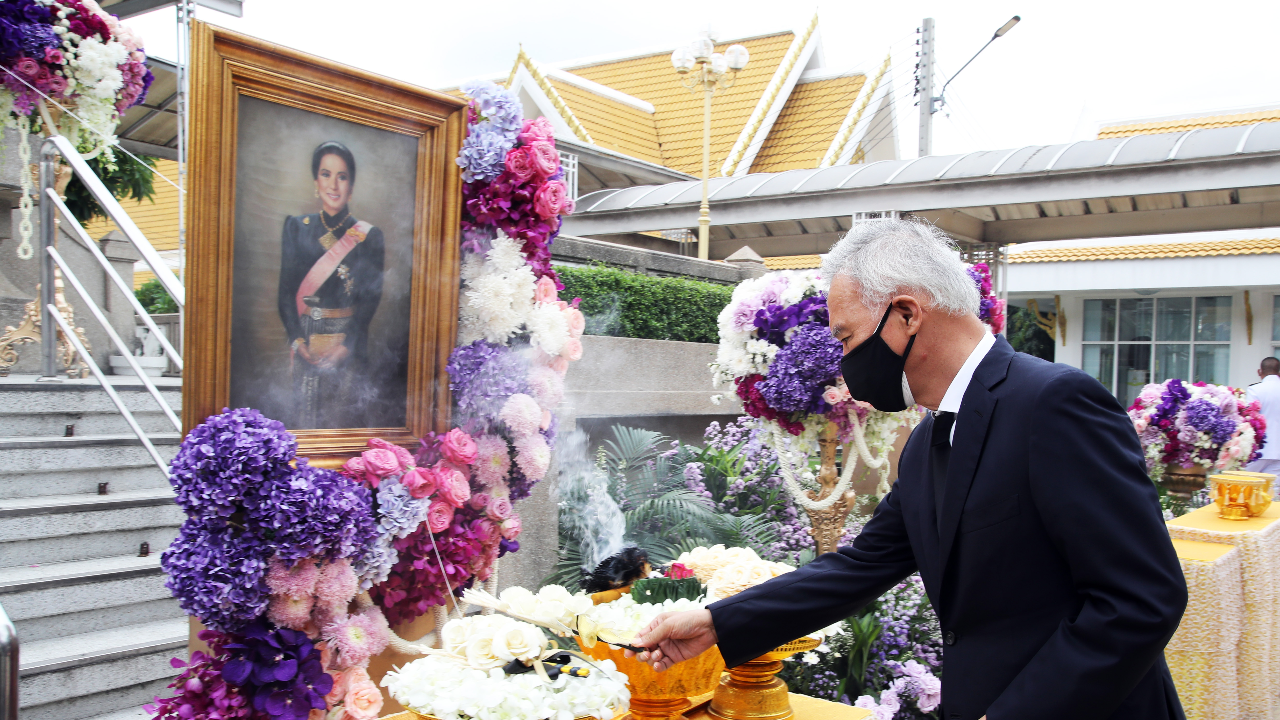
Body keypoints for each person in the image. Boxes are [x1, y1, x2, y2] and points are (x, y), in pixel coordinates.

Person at [628, 219, 1188, 720]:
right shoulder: (926, 444)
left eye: (847, 337)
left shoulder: (1052, 403)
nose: (844, 361)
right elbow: (860, 567)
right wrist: (716, 624)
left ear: (906, 314)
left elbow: (1139, 598)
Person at [277, 140, 385, 429]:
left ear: (351, 185)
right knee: (305, 422)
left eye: (342, 176)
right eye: (326, 174)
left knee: (343, 424)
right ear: (316, 180)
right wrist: (297, 340)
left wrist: (347, 346)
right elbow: (286, 293)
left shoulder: (368, 236)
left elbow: (369, 299)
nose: (333, 185)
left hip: (348, 341)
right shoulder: (296, 227)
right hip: (306, 341)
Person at [1245, 356, 1280, 477]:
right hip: (1278, 453)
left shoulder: (1254, 390)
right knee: (1271, 493)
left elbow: (1250, 418)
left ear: (1259, 372)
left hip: (1259, 451)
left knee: (1244, 489)